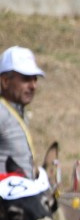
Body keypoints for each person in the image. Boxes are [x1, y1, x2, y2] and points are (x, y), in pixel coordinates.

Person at [0, 46, 43, 178]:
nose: (33, 86)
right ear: (5, 81)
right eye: (26, 79)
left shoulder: (16, 112)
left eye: (35, 79)